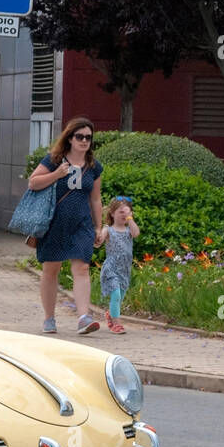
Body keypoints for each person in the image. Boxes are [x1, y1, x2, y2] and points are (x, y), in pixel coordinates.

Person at [28, 116, 105, 334]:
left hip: (81, 223)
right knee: (51, 269)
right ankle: (49, 318)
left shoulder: (93, 166)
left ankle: (83, 317)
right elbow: (33, 182)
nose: (84, 141)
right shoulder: (54, 159)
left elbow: (95, 199)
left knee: (82, 267)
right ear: (70, 138)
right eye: (79, 136)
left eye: (88, 138)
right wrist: (56, 174)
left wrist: (98, 227)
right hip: (54, 222)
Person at [99, 197, 139, 334]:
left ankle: (111, 314)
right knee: (115, 294)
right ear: (112, 214)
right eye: (119, 212)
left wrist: (130, 219)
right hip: (111, 268)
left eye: (126, 212)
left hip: (124, 269)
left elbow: (136, 233)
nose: (123, 215)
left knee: (120, 297)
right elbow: (99, 241)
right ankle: (116, 324)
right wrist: (98, 236)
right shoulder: (108, 230)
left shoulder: (129, 230)